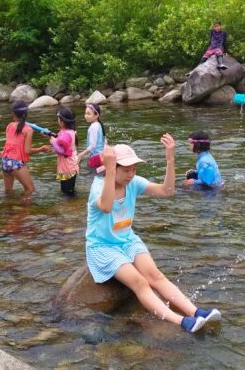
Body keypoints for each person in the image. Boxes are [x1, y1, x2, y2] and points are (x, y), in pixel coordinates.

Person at [86, 135, 222, 333]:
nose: (131, 174)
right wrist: (108, 170)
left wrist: (170, 159)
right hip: (103, 247)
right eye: (126, 169)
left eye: (134, 169)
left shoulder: (132, 182)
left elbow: (167, 191)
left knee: (155, 276)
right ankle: (181, 322)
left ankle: (196, 312)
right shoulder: (98, 187)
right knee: (140, 282)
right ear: (112, 168)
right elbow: (106, 207)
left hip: (127, 240)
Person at [0, 100, 49, 202]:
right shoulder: (28, 130)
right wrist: (41, 149)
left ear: (13, 113)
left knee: (8, 191)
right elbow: (27, 150)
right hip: (16, 163)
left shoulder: (9, 126)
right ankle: (21, 208)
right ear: (26, 113)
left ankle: (7, 209)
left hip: (4, 161)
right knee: (30, 189)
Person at [51, 107, 79, 196]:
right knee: (70, 190)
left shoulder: (67, 134)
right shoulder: (70, 131)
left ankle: (70, 207)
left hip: (67, 168)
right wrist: (50, 136)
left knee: (66, 192)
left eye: (58, 119)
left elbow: (61, 151)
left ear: (62, 122)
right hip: (71, 166)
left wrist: (51, 140)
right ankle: (72, 205)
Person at [77, 103, 107, 175]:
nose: (86, 116)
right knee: (101, 177)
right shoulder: (99, 125)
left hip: (95, 158)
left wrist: (80, 155)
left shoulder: (93, 126)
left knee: (93, 178)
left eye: (89, 114)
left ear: (96, 115)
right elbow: (104, 141)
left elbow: (92, 146)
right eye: (85, 113)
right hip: (101, 156)